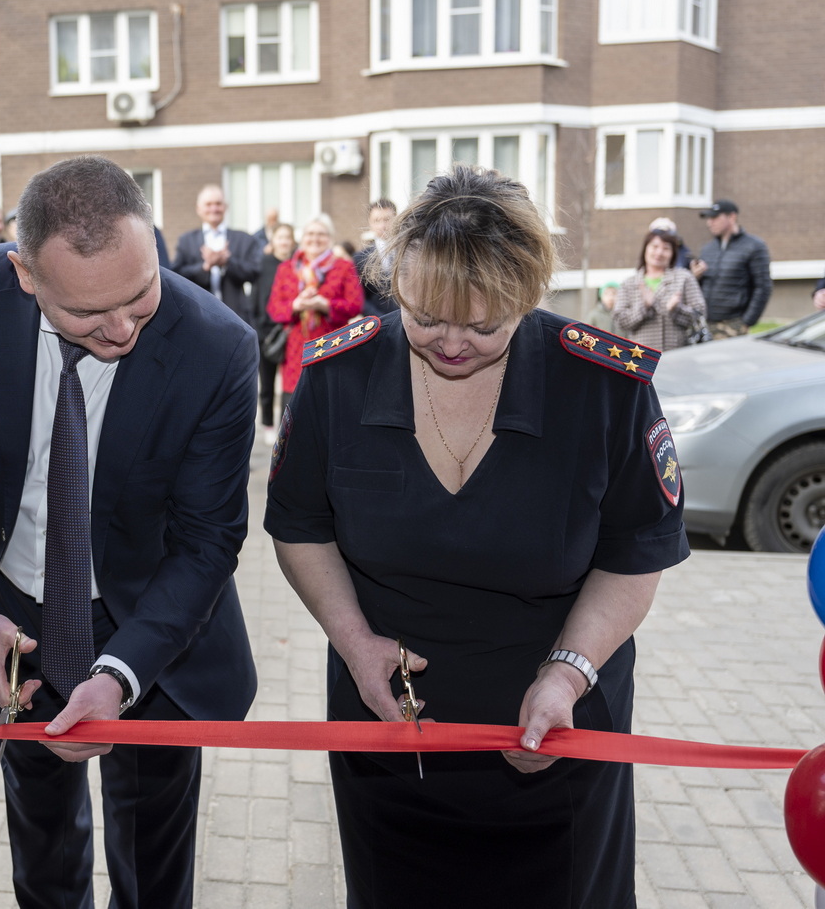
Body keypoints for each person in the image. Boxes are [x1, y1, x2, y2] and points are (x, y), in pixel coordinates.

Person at [266, 164, 687, 907]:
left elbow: (636, 552)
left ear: (528, 296)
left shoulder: (605, 388)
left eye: (484, 325)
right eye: (425, 316)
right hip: (389, 730)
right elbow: (300, 527)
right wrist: (354, 644)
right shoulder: (340, 375)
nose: (449, 342)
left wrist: (567, 673)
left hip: (554, 729)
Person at [0, 155, 258, 909]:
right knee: (42, 847)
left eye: (140, 295)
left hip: (155, 626)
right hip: (17, 617)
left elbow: (207, 541)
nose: (123, 328)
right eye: (89, 315)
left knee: (154, 861)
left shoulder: (217, 346)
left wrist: (119, 675)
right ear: (25, 274)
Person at [266, 215, 363, 416]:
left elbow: (355, 305)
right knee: (295, 414)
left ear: (330, 238)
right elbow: (274, 308)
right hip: (295, 351)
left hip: (333, 345)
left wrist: (326, 305)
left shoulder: (344, 267)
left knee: (331, 410)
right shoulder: (286, 269)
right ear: (302, 238)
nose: (315, 239)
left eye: (321, 234)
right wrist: (296, 305)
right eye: (310, 234)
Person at [171, 184, 263, 327]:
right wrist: (205, 266)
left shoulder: (243, 239)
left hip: (236, 317)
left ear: (225, 207)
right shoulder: (186, 240)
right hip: (197, 316)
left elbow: (254, 271)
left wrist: (227, 262)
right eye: (208, 204)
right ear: (198, 209)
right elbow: (176, 275)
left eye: (218, 204)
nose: (214, 209)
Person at [612, 229, 707, 351]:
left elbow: (700, 315)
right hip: (641, 358)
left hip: (679, 355)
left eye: (666, 248)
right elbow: (620, 321)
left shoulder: (684, 278)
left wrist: (677, 309)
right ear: (645, 249)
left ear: (673, 253)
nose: (659, 252)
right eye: (655, 246)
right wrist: (644, 307)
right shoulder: (629, 283)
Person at [691, 199, 771, 339]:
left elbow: (763, 287)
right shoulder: (708, 249)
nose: (710, 222)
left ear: (732, 217)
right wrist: (695, 277)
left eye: (715, 217)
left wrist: (746, 322)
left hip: (733, 324)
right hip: (706, 324)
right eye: (708, 218)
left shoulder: (754, 246)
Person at [254, 222, 296, 445]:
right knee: (267, 382)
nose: (284, 242)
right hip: (268, 332)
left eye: (287, 237)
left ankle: (288, 422)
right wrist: (258, 326)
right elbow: (257, 298)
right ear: (273, 240)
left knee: (290, 383)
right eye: (280, 237)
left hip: (292, 330)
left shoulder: (298, 264)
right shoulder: (264, 264)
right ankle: (269, 423)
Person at [354, 199, 399, 318]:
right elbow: (360, 297)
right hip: (376, 323)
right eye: (377, 220)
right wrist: (379, 319)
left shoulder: (409, 252)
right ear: (370, 223)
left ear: (397, 219)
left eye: (387, 219)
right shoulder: (360, 258)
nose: (382, 226)